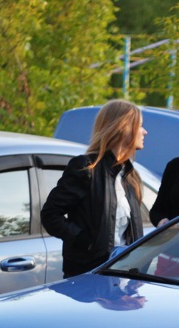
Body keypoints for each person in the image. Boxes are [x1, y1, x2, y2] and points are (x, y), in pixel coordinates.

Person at [42, 99, 147, 278]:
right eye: (140, 125)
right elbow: (50, 215)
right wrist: (84, 241)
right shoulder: (85, 167)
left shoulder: (131, 176)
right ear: (123, 127)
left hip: (124, 278)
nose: (145, 132)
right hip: (89, 277)